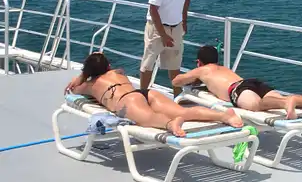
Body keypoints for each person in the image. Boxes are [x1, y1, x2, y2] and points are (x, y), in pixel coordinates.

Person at [64, 52, 243, 137]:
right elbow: (101, 59)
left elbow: (75, 89)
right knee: (183, 111)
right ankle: (223, 115)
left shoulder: (90, 85)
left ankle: (170, 124)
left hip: (126, 101)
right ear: (108, 67)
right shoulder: (118, 72)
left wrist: (82, 76)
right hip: (144, 93)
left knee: (148, 118)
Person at [173, 45, 302, 119]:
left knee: (259, 105)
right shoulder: (223, 68)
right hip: (249, 82)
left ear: (199, 62)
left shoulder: (202, 70)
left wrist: (194, 76)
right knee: (274, 99)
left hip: (237, 90)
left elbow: (176, 81)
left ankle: (288, 102)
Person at [140, 0, 194, 96]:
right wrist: (163, 35)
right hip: (157, 27)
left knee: (175, 64)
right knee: (148, 64)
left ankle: (177, 97)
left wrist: (184, 20)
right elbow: (153, 9)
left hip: (176, 26)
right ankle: (143, 95)